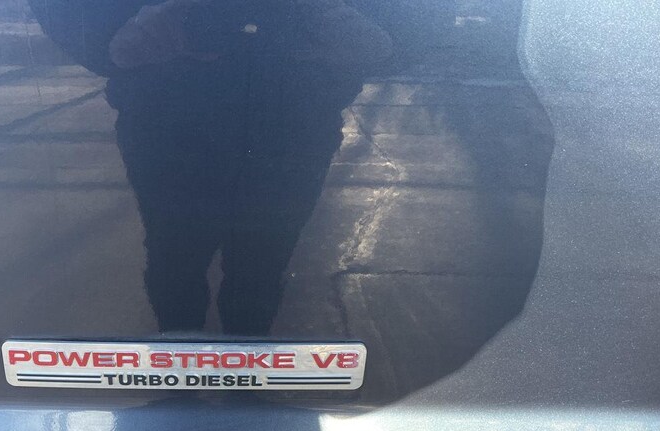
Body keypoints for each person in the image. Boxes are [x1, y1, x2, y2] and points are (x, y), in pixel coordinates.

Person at [35, 0, 393, 335]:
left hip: (286, 118)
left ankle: (223, 364)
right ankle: (191, 363)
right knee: (181, 261)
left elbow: (411, 22)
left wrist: (372, 34)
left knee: (254, 266)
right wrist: (109, 39)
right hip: (174, 117)